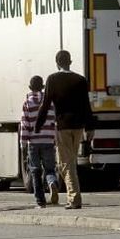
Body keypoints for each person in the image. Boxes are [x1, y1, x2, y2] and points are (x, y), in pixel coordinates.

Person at [35, 50, 94, 209]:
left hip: (62, 127)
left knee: (64, 164)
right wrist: (90, 127)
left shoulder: (52, 79)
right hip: (78, 127)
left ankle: (74, 199)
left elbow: (45, 104)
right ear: (70, 62)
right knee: (70, 162)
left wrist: (38, 126)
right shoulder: (80, 80)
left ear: (57, 62)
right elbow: (86, 105)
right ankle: (72, 196)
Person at [20, 75, 59, 208]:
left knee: (35, 171)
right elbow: (54, 121)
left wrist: (23, 143)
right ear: (42, 87)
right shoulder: (50, 103)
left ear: (30, 88)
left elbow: (25, 125)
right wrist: (55, 139)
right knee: (49, 168)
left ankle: (40, 201)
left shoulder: (27, 103)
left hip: (34, 142)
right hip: (48, 140)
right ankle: (52, 183)